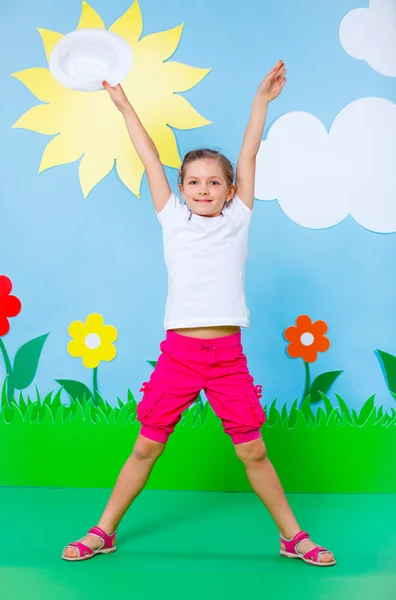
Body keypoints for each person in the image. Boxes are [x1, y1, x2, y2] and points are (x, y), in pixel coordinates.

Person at [62, 61, 335, 567]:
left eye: (214, 183)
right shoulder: (173, 220)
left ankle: (292, 536)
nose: (204, 190)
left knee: (253, 451)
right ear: (182, 188)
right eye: (194, 182)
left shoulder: (239, 218)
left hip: (227, 357)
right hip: (180, 357)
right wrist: (123, 103)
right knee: (145, 448)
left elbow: (249, 150)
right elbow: (148, 157)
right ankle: (105, 529)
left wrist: (262, 102)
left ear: (230, 190)